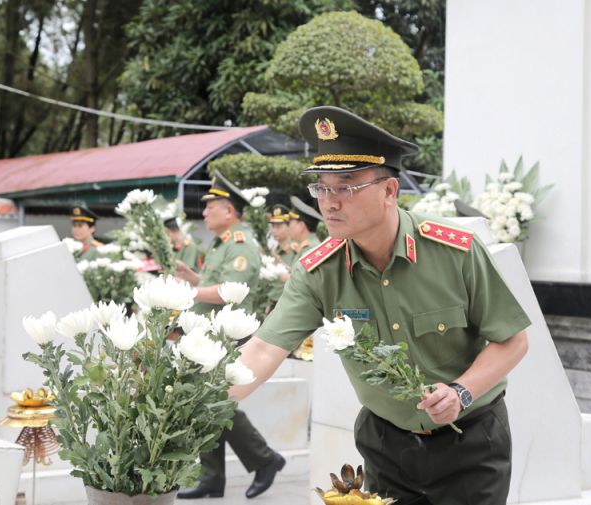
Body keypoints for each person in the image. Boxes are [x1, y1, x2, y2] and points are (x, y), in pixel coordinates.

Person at [226, 107, 531, 505]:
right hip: (387, 446)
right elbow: (265, 348)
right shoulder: (319, 271)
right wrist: (199, 407)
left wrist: (461, 392)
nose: (329, 203)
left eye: (345, 188)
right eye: (321, 188)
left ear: (389, 191)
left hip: (471, 442)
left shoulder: (455, 252)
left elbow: (513, 340)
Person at [175, 172, 285, 500]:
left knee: (216, 402)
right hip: (212, 333)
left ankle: (265, 459)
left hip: (228, 335)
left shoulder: (240, 245)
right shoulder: (220, 244)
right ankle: (212, 478)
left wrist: (190, 292)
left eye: (211, 207)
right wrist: (192, 278)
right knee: (207, 404)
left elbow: (229, 291)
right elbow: (215, 283)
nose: (204, 212)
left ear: (229, 211)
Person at [266, 204, 296, 308]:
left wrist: (276, 259)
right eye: (273, 227)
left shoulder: (295, 250)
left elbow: (296, 278)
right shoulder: (274, 250)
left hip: (287, 304)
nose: (274, 230)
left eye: (279, 227)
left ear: (289, 227)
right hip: (271, 303)